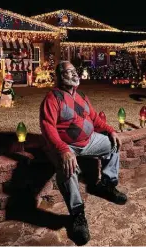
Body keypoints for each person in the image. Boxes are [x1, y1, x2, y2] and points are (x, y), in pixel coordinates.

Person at [39, 60, 127, 245]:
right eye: (69, 71)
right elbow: (48, 127)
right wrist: (63, 149)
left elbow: (95, 119)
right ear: (60, 76)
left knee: (113, 145)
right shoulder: (53, 98)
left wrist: (110, 130)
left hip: (88, 141)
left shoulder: (82, 97)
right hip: (67, 145)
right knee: (68, 168)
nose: (74, 74)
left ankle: (107, 185)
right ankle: (77, 215)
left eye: (74, 71)